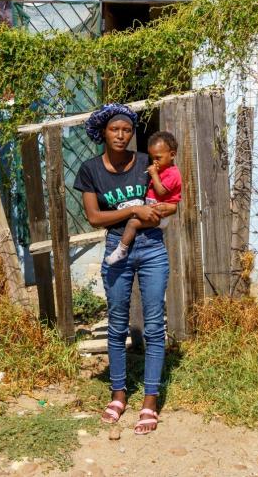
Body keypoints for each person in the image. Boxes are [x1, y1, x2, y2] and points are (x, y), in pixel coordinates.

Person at [73, 104, 177, 435]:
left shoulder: (148, 162)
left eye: (127, 130)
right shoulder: (90, 170)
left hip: (151, 250)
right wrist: (133, 209)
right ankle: (118, 394)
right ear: (103, 132)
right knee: (117, 324)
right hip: (117, 248)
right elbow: (94, 217)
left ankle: (149, 399)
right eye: (115, 130)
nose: (121, 135)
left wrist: (158, 211)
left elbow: (171, 196)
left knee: (153, 325)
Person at [104, 131, 182, 266]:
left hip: (161, 214)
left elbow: (161, 191)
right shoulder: (163, 170)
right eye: (152, 158)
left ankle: (121, 250)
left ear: (172, 155)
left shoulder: (173, 173)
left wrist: (154, 174)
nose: (154, 162)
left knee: (132, 223)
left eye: (158, 158)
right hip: (154, 208)